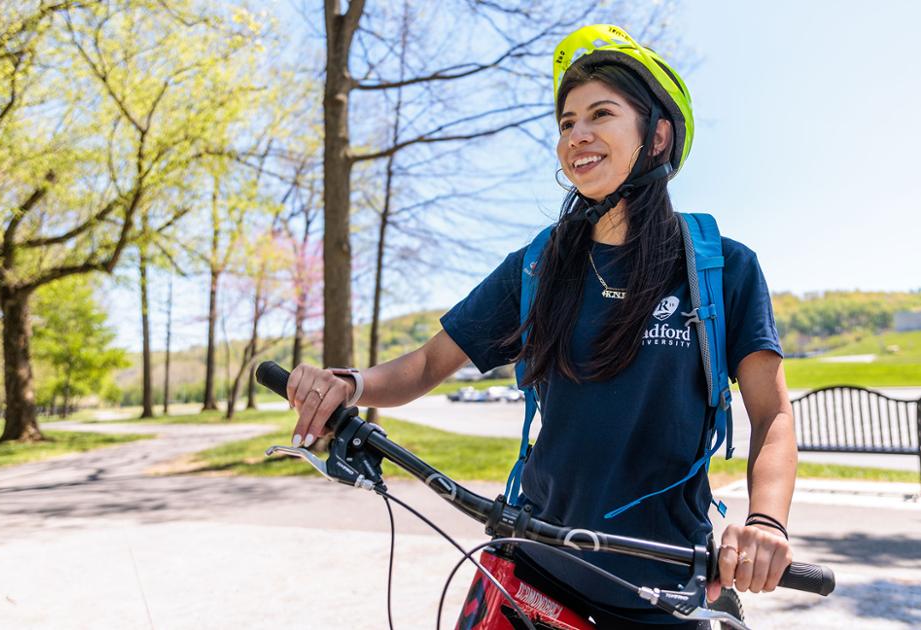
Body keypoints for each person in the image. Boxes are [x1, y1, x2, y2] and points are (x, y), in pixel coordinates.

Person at [285, 24, 796, 628]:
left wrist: (765, 522)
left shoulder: (721, 267)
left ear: (658, 135)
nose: (576, 133)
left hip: (662, 586)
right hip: (530, 570)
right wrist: (351, 384)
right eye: (565, 122)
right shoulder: (538, 266)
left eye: (600, 113)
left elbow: (772, 416)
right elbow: (425, 365)